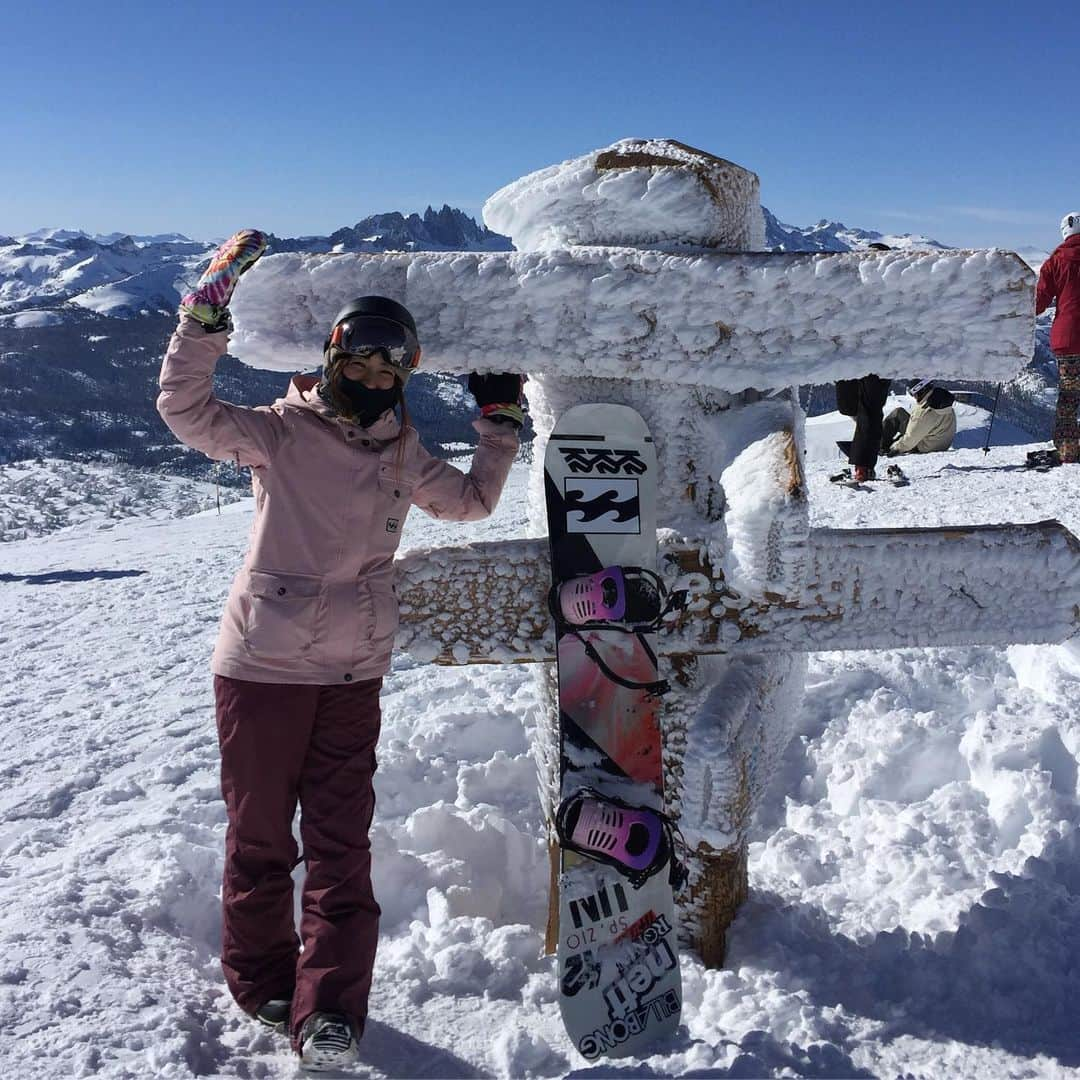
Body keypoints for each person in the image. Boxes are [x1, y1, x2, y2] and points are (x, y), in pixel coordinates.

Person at [156, 230, 522, 1071]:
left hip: (354, 671)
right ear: (332, 355)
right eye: (360, 359)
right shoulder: (279, 434)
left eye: (392, 366)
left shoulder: (400, 452)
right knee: (258, 840)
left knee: (340, 844)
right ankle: (261, 982)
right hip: (262, 669)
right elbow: (186, 412)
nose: (374, 377)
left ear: (405, 374)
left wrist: (498, 426)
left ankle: (329, 1012)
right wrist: (203, 319)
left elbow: (467, 504)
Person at [1036, 212, 1080, 463]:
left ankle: (1068, 450)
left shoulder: (1055, 261)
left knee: (1069, 397)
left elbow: (1040, 303)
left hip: (1069, 338)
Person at [881, 378, 957, 456]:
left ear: (919, 391)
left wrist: (894, 448)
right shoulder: (943, 400)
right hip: (941, 444)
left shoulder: (925, 411)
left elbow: (911, 438)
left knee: (898, 413)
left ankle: (877, 445)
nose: (914, 397)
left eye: (913, 394)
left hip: (925, 447)